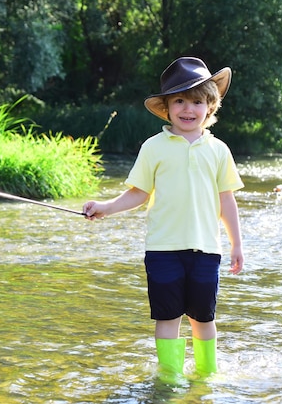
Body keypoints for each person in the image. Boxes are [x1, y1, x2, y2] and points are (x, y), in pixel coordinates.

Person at [82, 57, 244, 379]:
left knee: (203, 318)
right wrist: (106, 206)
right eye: (179, 101)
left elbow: (227, 201)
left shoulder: (219, 150)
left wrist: (236, 244)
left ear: (209, 108)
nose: (188, 109)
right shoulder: (153, 147)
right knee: (168, 318)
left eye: (197, 101)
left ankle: (207, 377)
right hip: (162, 250)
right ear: (167, 108)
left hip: (206, 251)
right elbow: (138, 193)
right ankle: (170, 379)